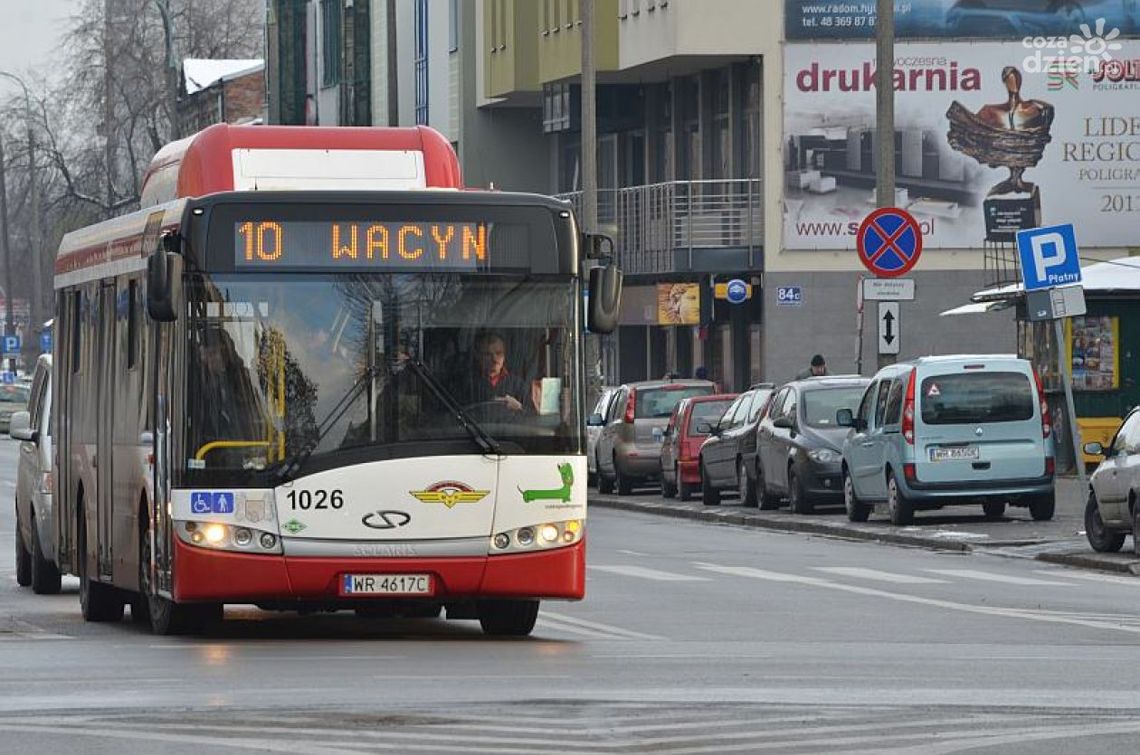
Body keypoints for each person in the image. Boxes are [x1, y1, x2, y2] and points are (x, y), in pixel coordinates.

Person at [467, 332, 531, 412]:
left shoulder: (517, 384)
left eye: (498, 353)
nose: (494, 359)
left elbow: (532, 414)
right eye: (488, 354)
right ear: (478, 356)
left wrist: (519, 407)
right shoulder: (468, 384)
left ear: (504, 356)